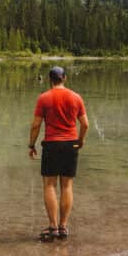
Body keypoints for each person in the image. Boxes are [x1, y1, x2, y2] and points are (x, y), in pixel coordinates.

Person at [28, 65, 89, 242]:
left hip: (52, 145)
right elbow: (85, 124)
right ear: (65, 78)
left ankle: (53, 227)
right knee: (67, 186)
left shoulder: (44, 98)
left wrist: (31, 145)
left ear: (50, 79)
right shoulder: (76, 97)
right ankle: (63, 227)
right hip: (70, 144)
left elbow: (35, 125)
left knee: (49, 185)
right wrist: (81, 140)